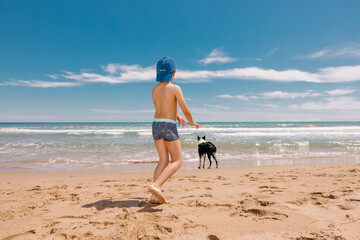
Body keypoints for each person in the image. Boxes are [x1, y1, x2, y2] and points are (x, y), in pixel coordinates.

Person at [148, 56, 201, 204]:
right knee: (177, 160)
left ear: (158, 73)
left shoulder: (154, 89)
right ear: (174, 73)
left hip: (156, 125)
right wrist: (192, 122)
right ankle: (156, 185)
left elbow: (161, 107)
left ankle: (154, 196)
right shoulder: (175, 88)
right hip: (168, 126)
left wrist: (176, 116)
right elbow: (186, 109)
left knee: (163, 160)